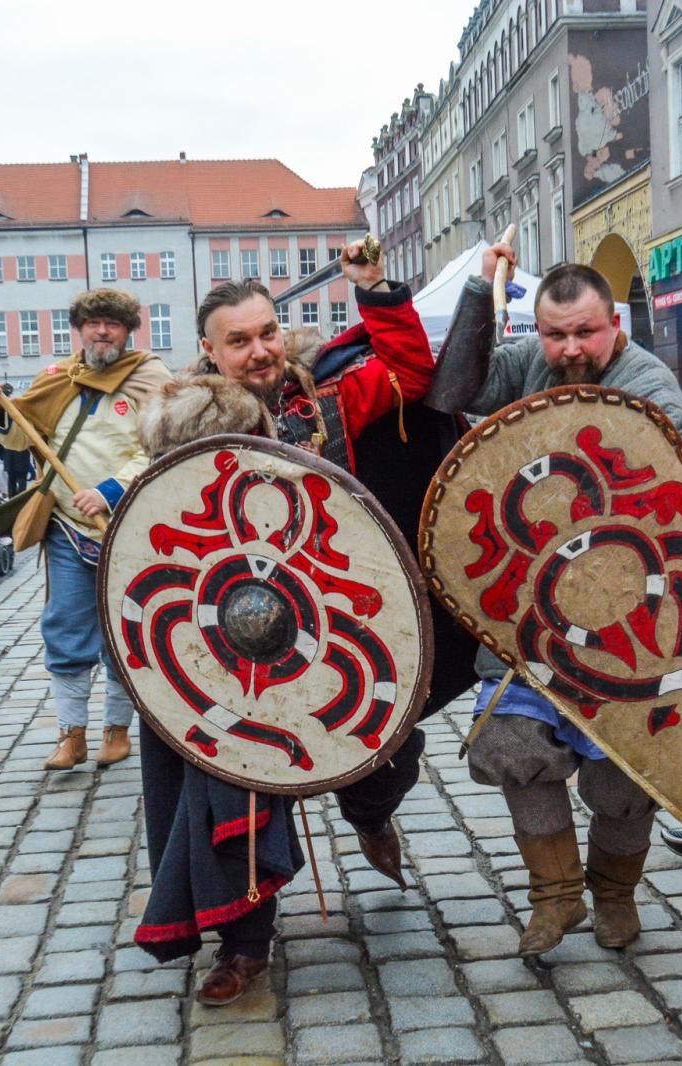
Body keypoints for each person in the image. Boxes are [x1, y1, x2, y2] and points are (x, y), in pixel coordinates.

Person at [131, 245, 438, 1005]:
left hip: (343, 632)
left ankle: (372, 817)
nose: (260, 350)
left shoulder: (323, 403)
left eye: (268, 332)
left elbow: (411, 370)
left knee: (381, 762)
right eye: (239, 341)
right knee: (230, 779)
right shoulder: (181, 433)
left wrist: (374, 289)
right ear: (210, 351)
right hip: (230, 648)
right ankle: (243, 945)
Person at [433, 244, 682, 956]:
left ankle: (615, 896)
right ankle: (555, 900)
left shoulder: (649, 387)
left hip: (627, 611)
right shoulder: (529, 367)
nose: (572, 349)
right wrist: (475, 293)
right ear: (539, 331)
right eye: (557, 334)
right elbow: (453, 390)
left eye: (586, 332)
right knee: (514, 742)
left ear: (614, 323)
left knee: (625, 772)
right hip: (528, 608)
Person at [0, 287, 172, 771]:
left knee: (122, 629)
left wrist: (110, 489)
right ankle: (72, 734)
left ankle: (116, 730)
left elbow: (162, 447)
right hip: (66, 525)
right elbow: (24, 438)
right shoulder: (59, 378)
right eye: (93, 323)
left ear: (127, 331)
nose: (101, 331)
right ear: (79, 329)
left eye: (112, 323)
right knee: (64, 625)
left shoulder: (153, 379)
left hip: (126, 524)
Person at [0, 383, 34, 497]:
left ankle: (12, 500)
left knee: (11, 480)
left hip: (9, 455)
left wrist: (2, 455)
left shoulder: (2, 414)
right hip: (22, 454)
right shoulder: (23, 417)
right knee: (21, 479)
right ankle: (21, 501)